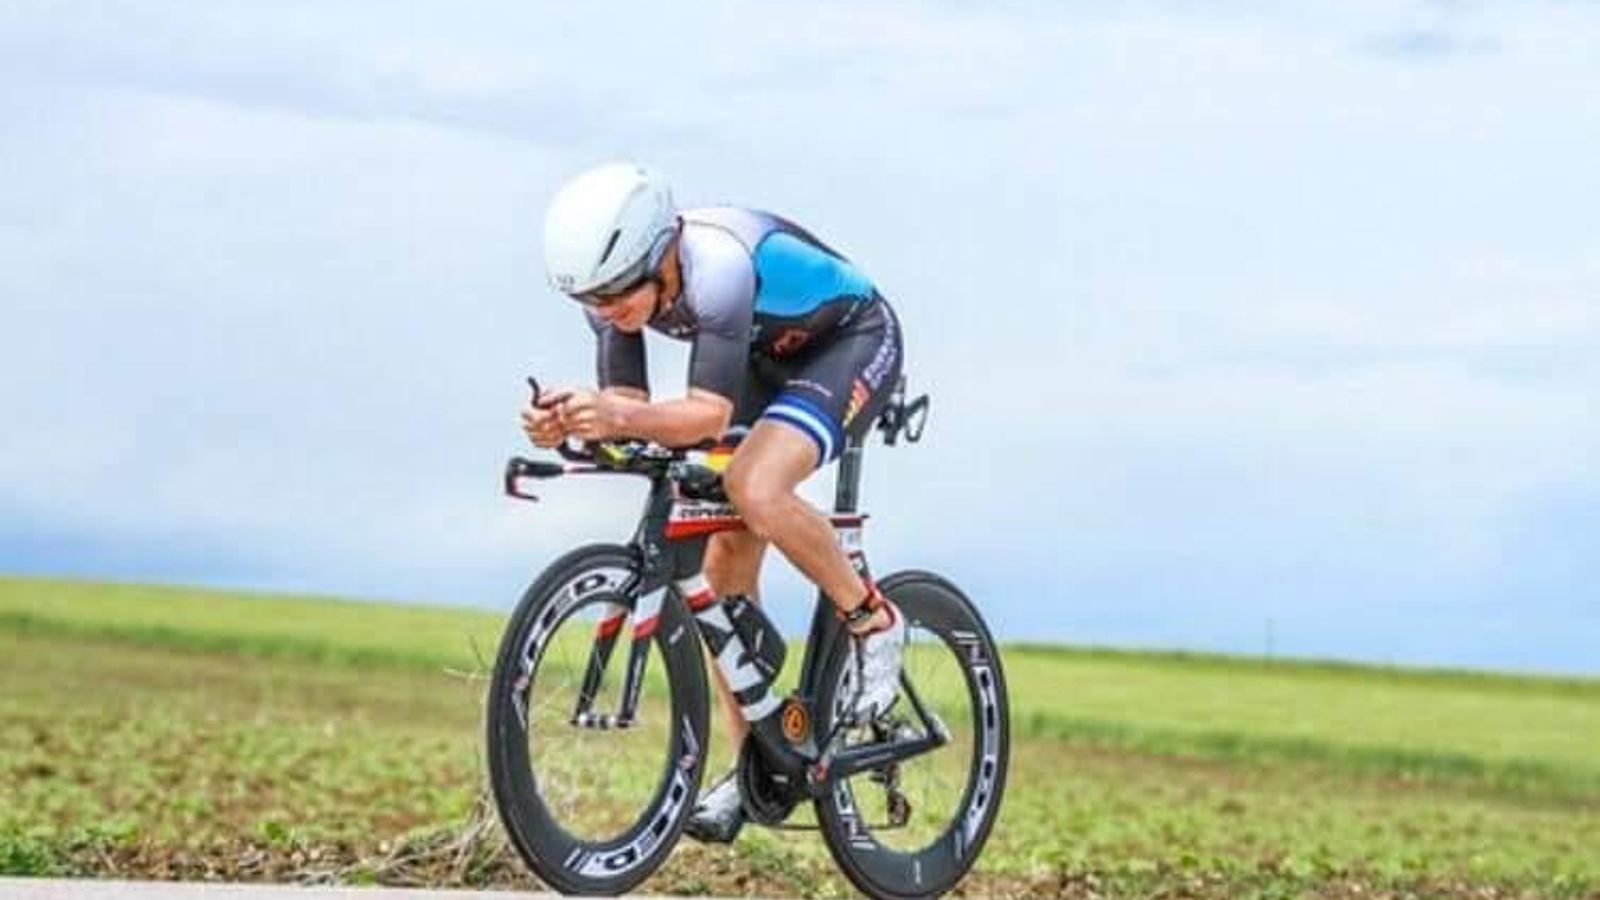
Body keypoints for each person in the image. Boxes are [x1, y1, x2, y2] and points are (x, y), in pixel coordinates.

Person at [521, 162, 907, 843]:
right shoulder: (612, 298)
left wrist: (612, 416)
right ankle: (755, 764)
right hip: (763, 360)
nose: (606, 311)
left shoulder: (718, 269)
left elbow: (702, 415)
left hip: (850, 342)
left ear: (657, 255)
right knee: (724, 568)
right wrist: (573, 424)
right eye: (590, 298)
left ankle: (873, 620)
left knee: (754, 485)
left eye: (614, 292)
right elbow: (632, 413)